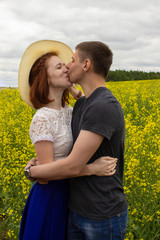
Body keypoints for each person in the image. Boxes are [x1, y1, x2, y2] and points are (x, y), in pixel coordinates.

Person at [25, 41, 128, 239]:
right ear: (45, 77)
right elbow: (49, 174)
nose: (67, 66)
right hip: (66, 202)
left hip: (99, 212)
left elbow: (94, 105)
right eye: (60, 66)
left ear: (86, 65)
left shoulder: (90, 107)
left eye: (70, 61)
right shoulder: (73, 108)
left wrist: (30, 171)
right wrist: (75, 91)